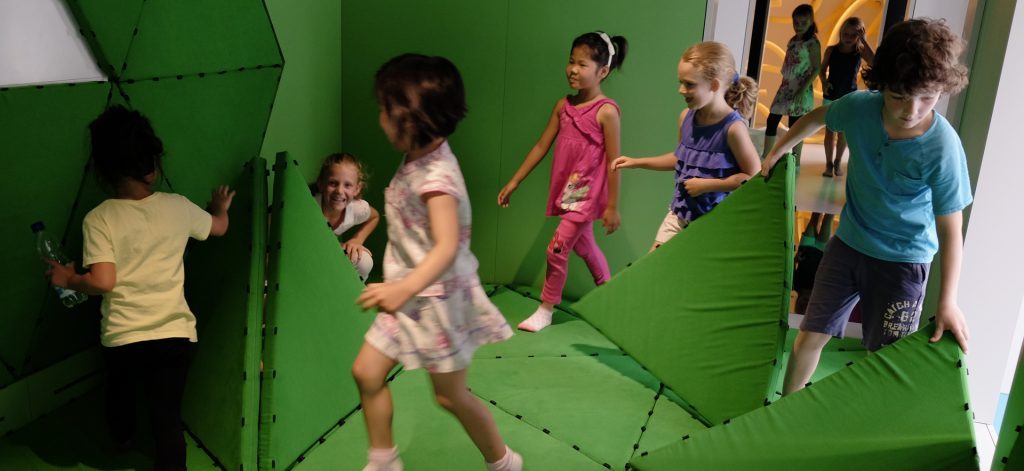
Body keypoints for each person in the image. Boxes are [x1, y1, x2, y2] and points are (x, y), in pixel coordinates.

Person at [762, 19, 972, 395]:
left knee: (884, 356)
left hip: (903, 261)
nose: (911, 109)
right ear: (880, 85)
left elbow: (951, 229)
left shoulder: (942, 147)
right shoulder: (860, 108)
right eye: (898, 97)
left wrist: (948, 301)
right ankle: (787, 407)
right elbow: (817, 117)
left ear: (942, 89)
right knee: (810, 335)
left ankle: (871, 424)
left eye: (927, 97)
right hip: (848, 244)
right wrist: (779, 150)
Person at [351, 53, 520, 471]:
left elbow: (446, 247)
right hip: (409, 295)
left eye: (385, 110)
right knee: (367, 373)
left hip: (436, 302)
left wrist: (403, 288)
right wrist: (403, 288)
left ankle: (503, 462)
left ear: (414, 120)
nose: (380, 118)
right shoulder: (418, 156)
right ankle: (383, 460)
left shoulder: (436, 179)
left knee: (449, 396)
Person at [45, 105, 234, 471]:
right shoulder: (178, 206)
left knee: (120, 393)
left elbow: (102, 281)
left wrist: (68, 279)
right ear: (153, 166)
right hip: (174, 335)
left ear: (101, 170)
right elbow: (220, 227)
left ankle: (123, 438)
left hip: (124, 339)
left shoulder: (99, 218)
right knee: (167, 419)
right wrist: (219, 206)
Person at [497, 31, 627, 332]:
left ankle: (546, 308)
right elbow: (541, 146)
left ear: (602, 72)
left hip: (586, 195)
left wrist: (612, 206)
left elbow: (615, 162)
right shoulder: (563, 106)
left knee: (556, 249)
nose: (573, 70)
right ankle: (612, 297)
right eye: (571, 62)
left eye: (582, 64)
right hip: (567, 191)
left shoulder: (607, 112)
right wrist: (515, 181)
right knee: (585, 247)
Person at [613, 41, 760, 251]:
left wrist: (707, 185)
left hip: (714, 222)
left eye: (689, 84)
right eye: (681, 82)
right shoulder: (686, 117)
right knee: (654, 263)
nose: (681, 90)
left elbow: (752, 176)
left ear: (714, 85)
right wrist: (636, 162)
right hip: (680, 214)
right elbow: (679, 159)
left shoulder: (734, 129)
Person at [762, 3, 821, 163]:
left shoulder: (812, 43)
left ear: (811, 22)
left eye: (803, 23)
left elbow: (816, 67)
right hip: (787, 86)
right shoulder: (794, 40)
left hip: (800, 87)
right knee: (772, 119)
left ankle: (795, 161)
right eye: (796, 23)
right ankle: (766, 156)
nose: (799, 26)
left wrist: (802, 90)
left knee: (795, 126)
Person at [819, 17, 874, 177]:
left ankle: (838, 161)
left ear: (859, 35)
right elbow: (822, 70)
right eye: (845, 34)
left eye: (853, 35)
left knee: (843, 132)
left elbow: (874, 61)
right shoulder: (831, 50)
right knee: (829, 131)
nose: (848, 38)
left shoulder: (859, 51)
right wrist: (824, 82)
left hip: (849, 96)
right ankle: (828, 163)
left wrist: (864, 40)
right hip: (831, 94)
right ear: (840, 33)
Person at [312, 152, 380, 281]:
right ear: (321, 184)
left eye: (347, 185)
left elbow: (375, 216)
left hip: (323, 249)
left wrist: (357, 240)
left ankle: (353, 290)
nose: (339, 191)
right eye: (333, 183)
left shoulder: (357, 209)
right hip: (300, 250)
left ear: (357, 189)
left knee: (363, 261)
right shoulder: (309, 205)